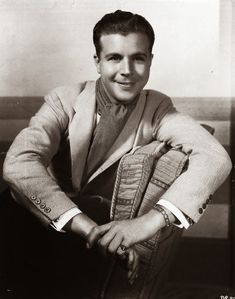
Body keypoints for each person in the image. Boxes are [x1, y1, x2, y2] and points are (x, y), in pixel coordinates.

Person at [2, 9, 231, 299]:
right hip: (41, 221)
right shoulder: (63, 99)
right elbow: (19, 164)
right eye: (114, 58)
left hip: (100, 237)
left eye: (138, 58)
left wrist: (147, 223)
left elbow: (215, 156)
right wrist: (86, 228)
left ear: (150, 61)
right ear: (97, 62)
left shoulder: (158, 108)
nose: (127, 70)